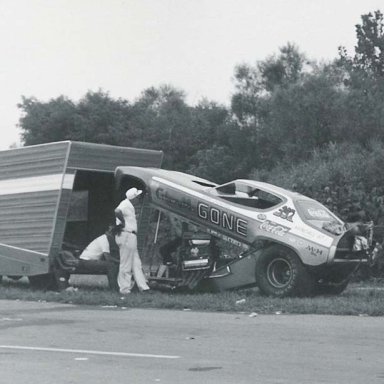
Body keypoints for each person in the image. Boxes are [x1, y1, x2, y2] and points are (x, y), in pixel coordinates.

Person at [115, 187, 150, 294]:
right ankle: (124, 289)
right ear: (133, 198)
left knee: (136, 263)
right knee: (126, 264)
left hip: (130, 236)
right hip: (126, 235)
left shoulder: (129, 205)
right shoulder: (125, 204)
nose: (139, 199)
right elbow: (117, 211)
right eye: (138, 197)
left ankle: (143, 287)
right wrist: (123, 223)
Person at [78, 226, 120, 291]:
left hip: (86, 261)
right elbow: (108, 257)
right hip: (86, 261)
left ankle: (116, 286)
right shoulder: (104, 240)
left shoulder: (103, 238)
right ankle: (114, 289)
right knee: (111, 265)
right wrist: (119, 261)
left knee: (112, 265)